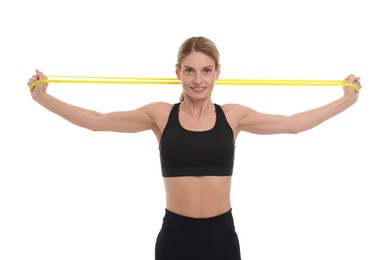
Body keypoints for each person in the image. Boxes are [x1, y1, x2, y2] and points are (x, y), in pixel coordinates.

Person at [27, 36, 362, 260]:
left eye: (206, 70)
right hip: (176, 237)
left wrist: (345, 102)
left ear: (218, 73)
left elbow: (292, 123)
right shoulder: (159, 115)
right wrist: (43, 98)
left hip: (221, 238)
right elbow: (97, 120)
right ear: (178, 73)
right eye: (189, 70)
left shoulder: (233, 116)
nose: (198, 80)